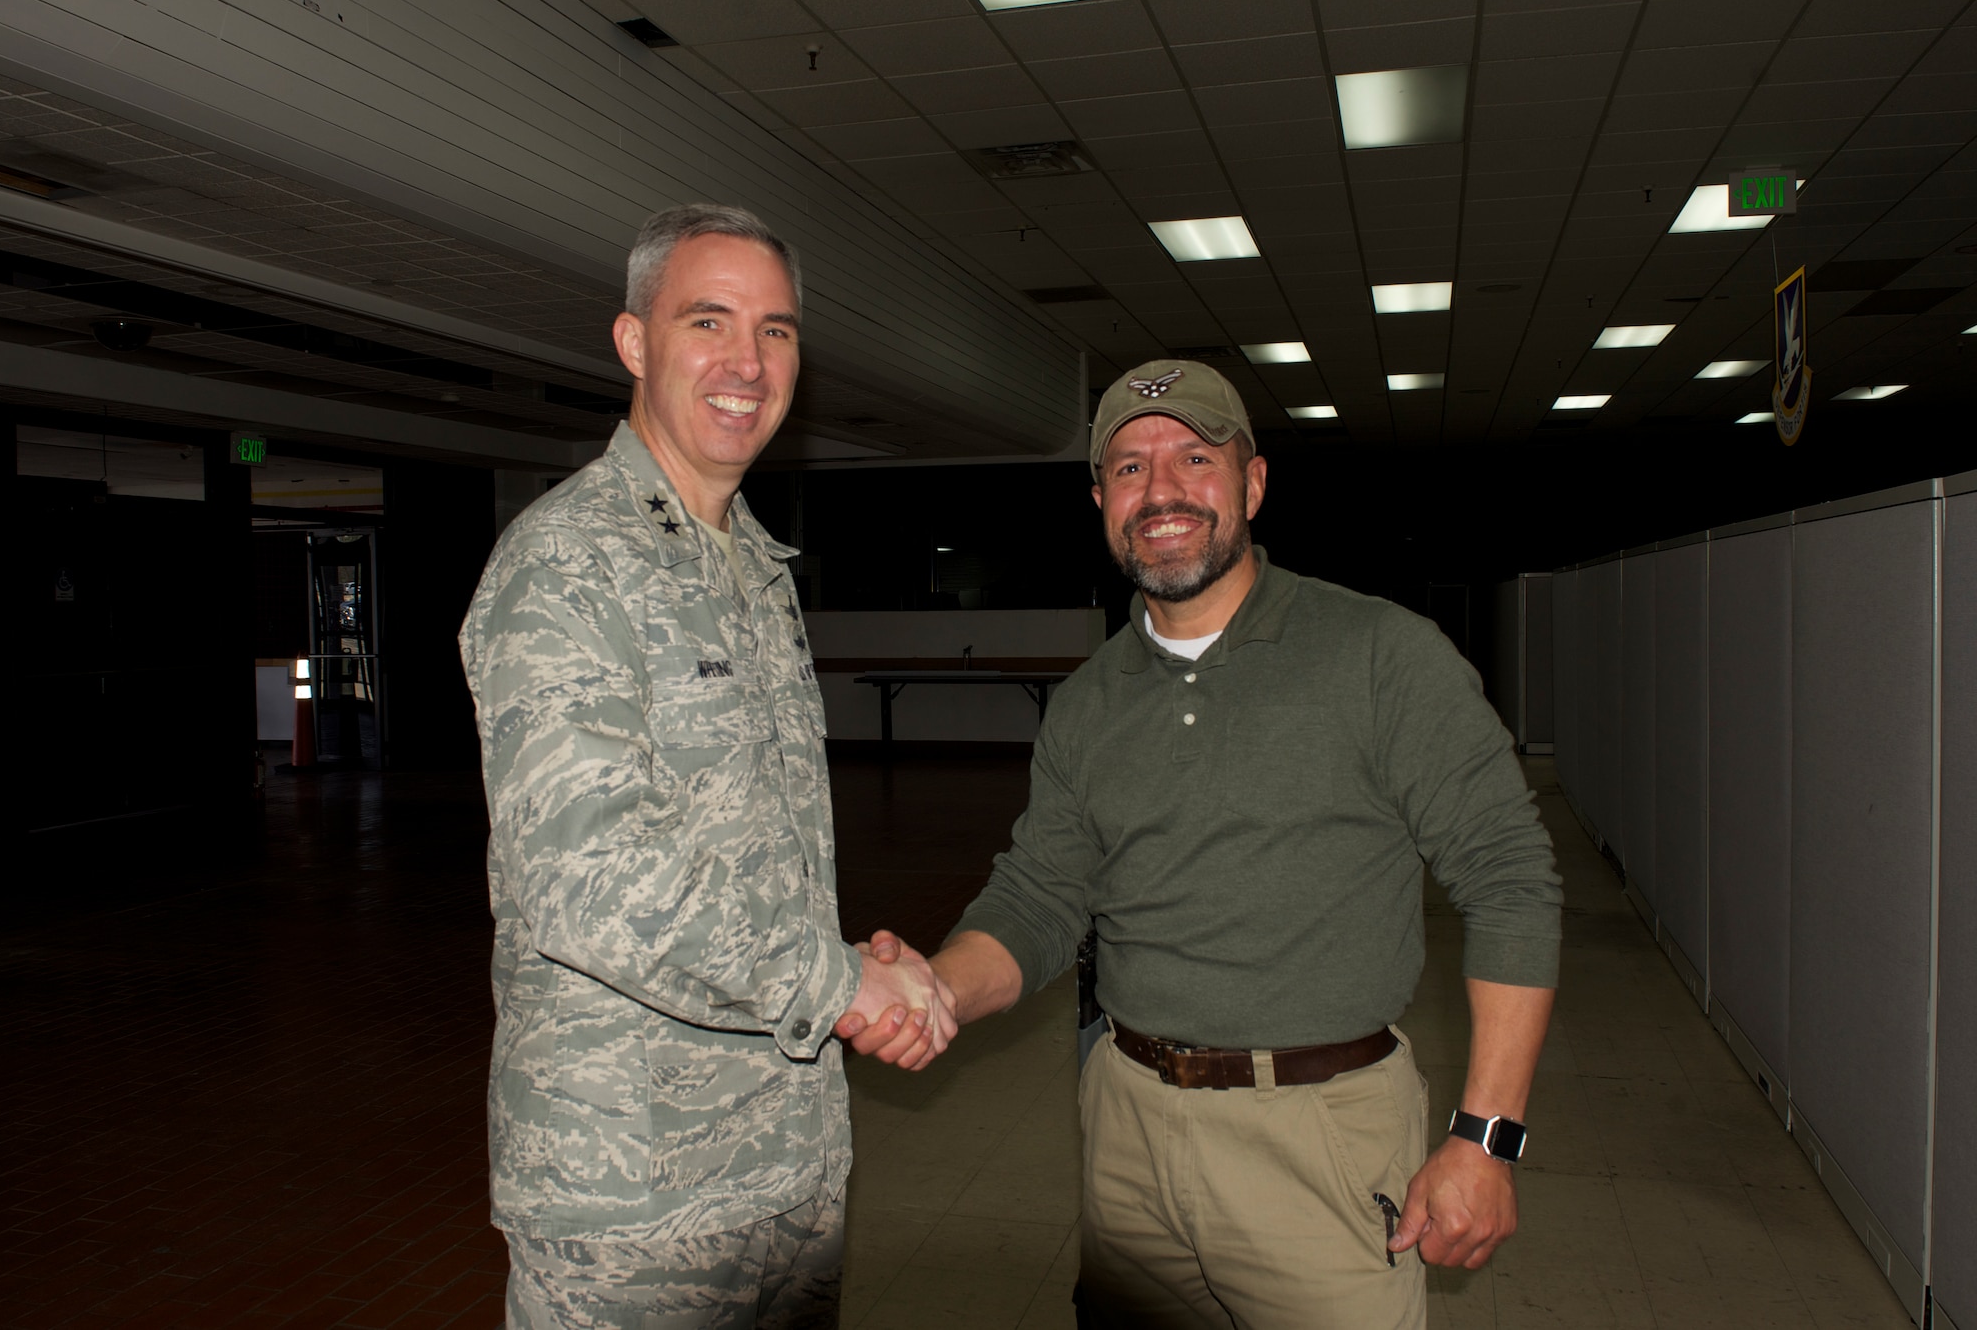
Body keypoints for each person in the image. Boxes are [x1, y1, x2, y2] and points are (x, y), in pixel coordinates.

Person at [858, 359, 1563, 1327]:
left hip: (1321, 1137)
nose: (1162, 491)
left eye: (1194, 456)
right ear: (1101, 499)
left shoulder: (1378, 656)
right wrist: (936, 991)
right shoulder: (1088, 704)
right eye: (1131, 467)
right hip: (1127, 1131)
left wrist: (1484, 1139)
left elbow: (1510, 879)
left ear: (1251, 483)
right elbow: (1038, 898)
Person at [459, 203, 951, 1330]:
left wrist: (846, 968)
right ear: (633, 341)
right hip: (633, 1198)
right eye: (709, 321)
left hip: (782, 1167)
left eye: (775, 331)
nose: (747, 362)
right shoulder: (567, 565)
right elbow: (587, 881)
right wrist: (840, 986)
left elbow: (748, 851)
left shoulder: (755, 569)